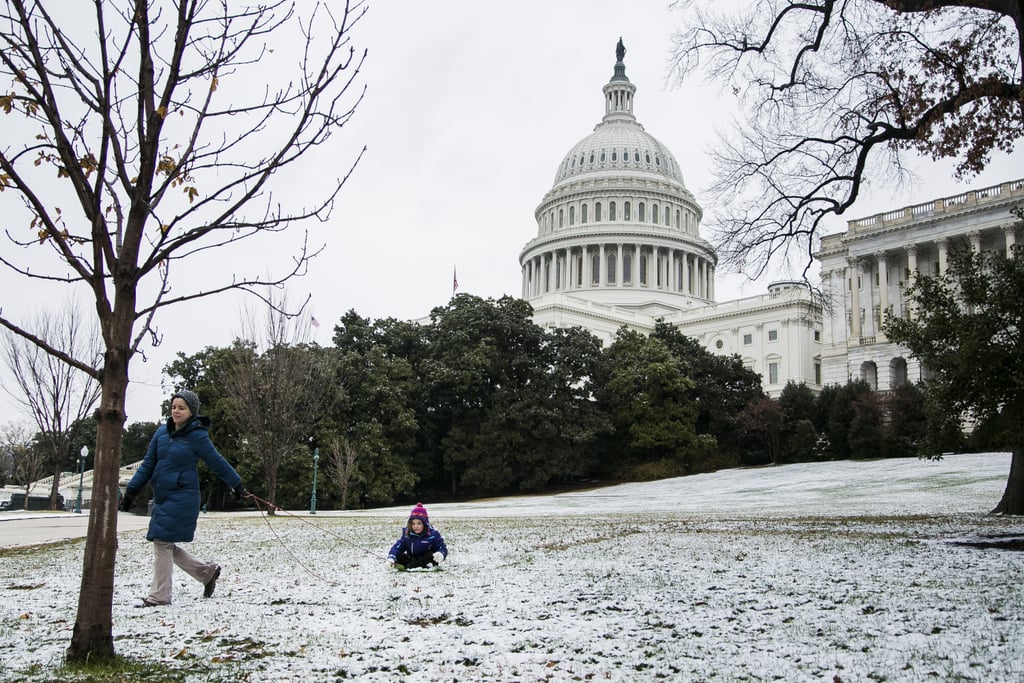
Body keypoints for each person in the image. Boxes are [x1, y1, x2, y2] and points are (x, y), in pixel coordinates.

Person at [120, 389, 248, 607]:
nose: (176, 411)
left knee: (161, 541)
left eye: (182, 408)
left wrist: (237, 484)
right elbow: (148, 464)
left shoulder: (197, 436)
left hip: (183, 496)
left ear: (192, 412)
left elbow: (217, 462)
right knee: (164, 543)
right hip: (163, 497)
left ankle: (160, 596)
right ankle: (206, 572)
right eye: (173, 407)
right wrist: (132, 490)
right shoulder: (161, 433)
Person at [387, 503, 448, 570]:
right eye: (413, 524)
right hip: (412, 559)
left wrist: (441, 553)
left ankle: (414, 566)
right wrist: (391, 557)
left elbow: (442, 547)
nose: (416, 526)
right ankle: (409, 565)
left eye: (419, 523)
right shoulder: (407, 535)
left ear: (424, 524)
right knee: (400, 555)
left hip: (426, 559)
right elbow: (397, 547)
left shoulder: (432, 535)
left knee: (430, 555)